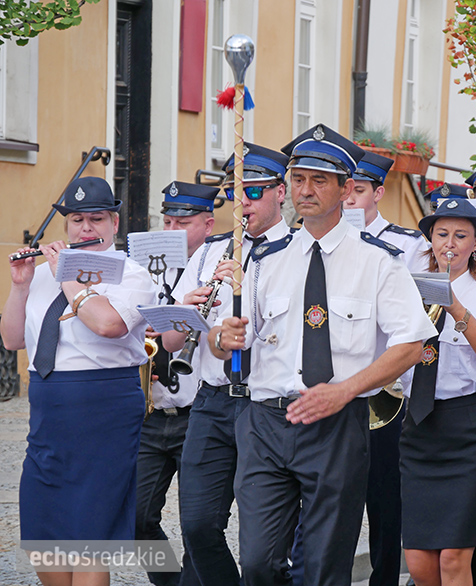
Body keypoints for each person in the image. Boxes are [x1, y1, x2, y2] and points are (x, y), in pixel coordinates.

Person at [210, 123, 436, 586]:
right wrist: (222, 338)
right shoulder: (264, 259)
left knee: (323, 567)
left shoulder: (379, 261)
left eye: (319, 180)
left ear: (346, 189)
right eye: (298, 179)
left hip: (336, 427)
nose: (305, 190)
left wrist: (344, 392)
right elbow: (231, 340)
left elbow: (412, 344)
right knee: (256, 562)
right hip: (266, 423)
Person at [1, 176, 156, 585]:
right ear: (66, 225)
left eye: (96, 219)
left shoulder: (131, 274)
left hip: (104, 407)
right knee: (45, 530)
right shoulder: (39, 274)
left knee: (91, 535)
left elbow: (108, 324)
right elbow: (12, 338)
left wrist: (67, 275)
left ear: (114, 224)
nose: (86, 228)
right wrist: (19, 287)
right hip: (49, 409)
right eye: (76, 220)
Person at [162, 143, 292, 586]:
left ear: (280, 192)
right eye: (238, 195)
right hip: (213, 401)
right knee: (197, 526)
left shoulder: (298, 251)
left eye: (255, 192)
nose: (246, 204)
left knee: (264, 548)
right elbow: (171, 337)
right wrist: (188, 307)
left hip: (267, 408)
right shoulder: (209, 251)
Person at [400, 198, 476, 586]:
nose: (449, 243)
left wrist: (454, 307)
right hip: (419, 425)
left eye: (460, 235)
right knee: (418, 560)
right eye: (442, 234)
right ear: (430, 240)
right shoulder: (405, 290)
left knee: (453, 557)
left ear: (475, 244)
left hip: (470, 428)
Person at [343, 150, 430, 586]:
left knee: (384, 496)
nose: (349, 200)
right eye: (346, 191)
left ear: (378, 192)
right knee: (332, 497)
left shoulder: (410, 244)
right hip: (335, 381)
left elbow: (412, 314)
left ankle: (383, 579)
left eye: (358, 191)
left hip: (386, 387)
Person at [135, 181, 218, 586]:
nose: (171, 229)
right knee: (135, 517)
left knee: (196, 524)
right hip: (152, 412)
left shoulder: (215, 266)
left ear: (208, 223)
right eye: (166, 220)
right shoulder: (148, 268)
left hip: (197, 413)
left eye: (182, 222)